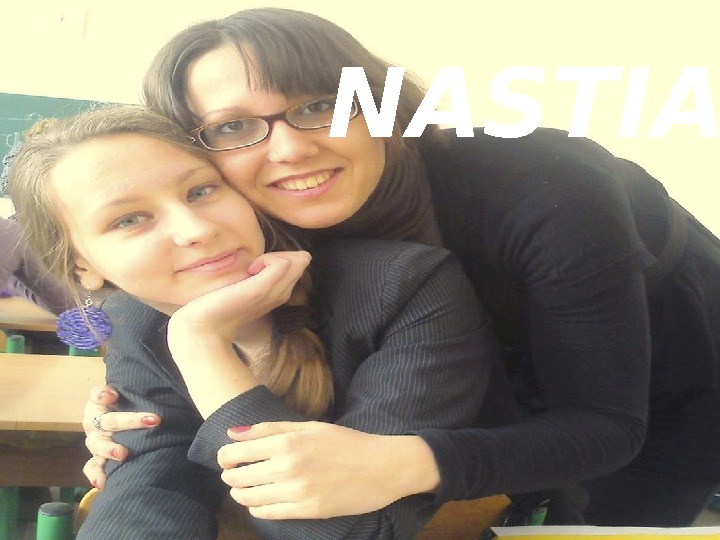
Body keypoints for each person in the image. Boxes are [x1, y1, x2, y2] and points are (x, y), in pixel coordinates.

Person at [81, 7, 720, 527]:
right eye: (233, 126)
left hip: (669, 367)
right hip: (477, 376)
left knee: (605, 515)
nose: (291, 148)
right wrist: (146, 413)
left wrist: (406, 462)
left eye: (320, 105)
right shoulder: (244, 216)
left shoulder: (546, 187)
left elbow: (605, 426)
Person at [8, 104, 494, 539]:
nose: (196, 229)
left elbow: (343, 531)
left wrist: (200, 345)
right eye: (129, 220)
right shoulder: (134, 319)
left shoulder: (402, 286)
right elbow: (149, 489)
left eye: (201, 190)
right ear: (82, 267)